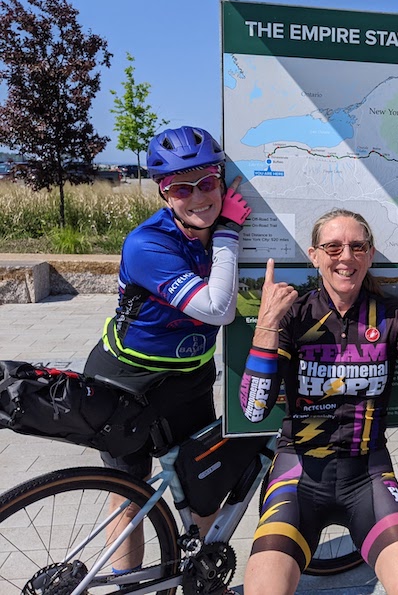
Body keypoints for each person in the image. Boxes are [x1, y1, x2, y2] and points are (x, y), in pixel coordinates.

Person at [240, 209, 398, 595]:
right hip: (298, 474)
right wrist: (267, 322)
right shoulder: (294, 315)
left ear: (370, 255)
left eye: (357, 247)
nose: (345, 257)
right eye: (333, 247)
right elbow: (254, 409)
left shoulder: (392, 315)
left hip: (368, 475)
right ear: (314, 255)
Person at [83, 125, 251, 572]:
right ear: (164, 193)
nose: (198, 197)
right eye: (182, 187)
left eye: (208, 183)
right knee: (128, 493)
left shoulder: (215, 232)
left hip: (189, 381)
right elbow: (217, 308)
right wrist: (230, 233)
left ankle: (199, 573)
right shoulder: (147, 244)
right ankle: (128, 584)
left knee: (204, 483)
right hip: (124, 379)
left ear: (221, 180)